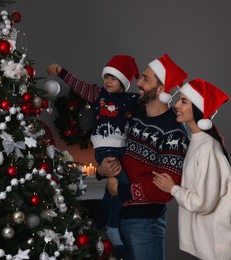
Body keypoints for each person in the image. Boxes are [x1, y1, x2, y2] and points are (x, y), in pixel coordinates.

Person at [47, 55, 140, 259]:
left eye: (113, 78)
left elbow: (150, 103)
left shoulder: (131, 100)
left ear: (123, 82)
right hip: (104, 148)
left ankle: (100, 226)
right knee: (122, 185)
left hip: (121, 150)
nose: (108, 81)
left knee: (112, 188)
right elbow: (79, 86)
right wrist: (61, 72)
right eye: (106, 76)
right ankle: (113, 228)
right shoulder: (98, 94)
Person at [98, 53, 189, 260]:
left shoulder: (175, 132)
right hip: (117, 216)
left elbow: (166, 189)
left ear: (162, 90)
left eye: (146, 79)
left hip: (144, 225)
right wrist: (101, 171)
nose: (138, 82)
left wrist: (121, 190)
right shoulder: (135, 113)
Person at [153, 79, 231, 260]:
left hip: (221, 247)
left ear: (198, 108)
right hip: (213, 244)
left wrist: (172, 188)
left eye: (183, 101)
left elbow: (203, 203)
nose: (175, 105)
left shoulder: (208, 148)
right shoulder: (197, 142)